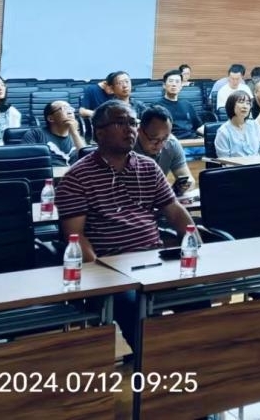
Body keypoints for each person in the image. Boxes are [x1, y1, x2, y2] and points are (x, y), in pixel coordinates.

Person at [55, 101, 194, 347]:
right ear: (99, 132)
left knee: (197, 296)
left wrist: (195, 245)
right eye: (121, 123)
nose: (130, 129)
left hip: (154, 259)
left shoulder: (148, 167)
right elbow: (75, 237)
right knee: (134, 308)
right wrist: (101, 274)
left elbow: (175, 212)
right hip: (111, 268)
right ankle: (155, 360)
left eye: (132, 123)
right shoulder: (77, 178)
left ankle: (194, 358)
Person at [133, 105, 195, 199]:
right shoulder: (127, 147)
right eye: (154, 139)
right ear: (140, 131)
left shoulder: (171, 144)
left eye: (165, 138)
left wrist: (183, 187)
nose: (160, 145)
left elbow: (189, 179)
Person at [21, 100, 87, 166]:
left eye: (70, 108)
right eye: (63, 108)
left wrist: (75, 133)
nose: (70, 112)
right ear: (51, 118)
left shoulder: (76, 137)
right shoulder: (35, 134)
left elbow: (87, 161)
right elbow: (25, 162)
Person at [154, 70, 204, 140]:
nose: (174, 84)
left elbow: (198, 126)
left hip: (192, 140)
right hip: (171, 142)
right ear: (164, 85)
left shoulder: (187, 104)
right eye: (171, 81)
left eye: (177, 82)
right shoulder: (157, 107)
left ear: (181, 86)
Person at [214, 91, 260, 158]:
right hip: (235, 165)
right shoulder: (223, 131)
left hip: (258, 163)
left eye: (248, 103)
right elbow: (224, 159)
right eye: (241, 102)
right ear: (231, 105)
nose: (245, 106)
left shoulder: (254, 125)